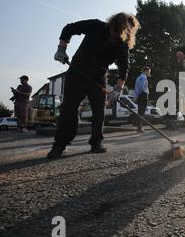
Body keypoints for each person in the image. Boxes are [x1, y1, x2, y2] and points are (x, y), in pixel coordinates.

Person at [47, 12, 140, 159]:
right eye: (117, 31)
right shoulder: (96, 26)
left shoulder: (122, 44)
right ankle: (60, 145)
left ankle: (96, 143)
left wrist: (117, 89)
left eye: (124, 32)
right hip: (77, 72)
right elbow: (69, 28)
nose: (116, 35)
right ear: (113, 24)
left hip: (98, 78)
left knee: (99, 110)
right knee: (69, 109)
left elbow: (124, 68)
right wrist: (61, 48)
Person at [134, 66, 151, 133]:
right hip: (143, 95)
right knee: (142, 112)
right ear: (146, 71)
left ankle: (139, 128)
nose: (149, 73)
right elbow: (141, 87)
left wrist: (137, 96)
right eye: (149, 71)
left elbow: (136, 88)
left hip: (140, 95)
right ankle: (140, 128)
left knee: (139, 112)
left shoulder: (138, 77)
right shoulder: (144, 77)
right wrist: (139, 95)